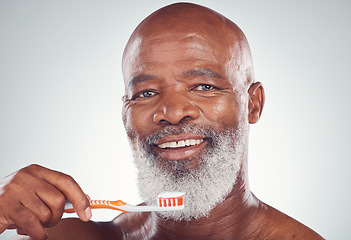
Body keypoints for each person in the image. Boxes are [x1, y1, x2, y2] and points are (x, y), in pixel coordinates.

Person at [0, 3, 324, 239]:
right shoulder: (70, 236)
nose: (171, 112)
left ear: (253, 104)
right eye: (145, 93)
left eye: (204, 87)